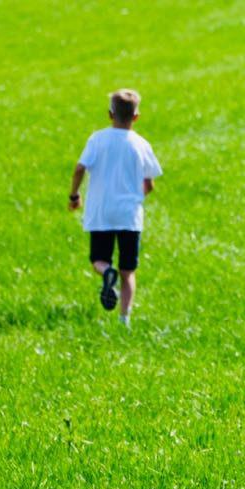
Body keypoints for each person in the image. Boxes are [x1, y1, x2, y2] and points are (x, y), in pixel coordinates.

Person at [69, 89, 163, 327]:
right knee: (128, 270)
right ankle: (124, 320)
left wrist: (75, 195)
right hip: (129, 216)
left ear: (110, 114)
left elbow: (80, 168)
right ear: (136, 117)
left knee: (99, 260)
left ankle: (106, 272)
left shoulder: (97, 139)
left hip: (101, 212)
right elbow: (149, 184)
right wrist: (133, 197)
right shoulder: (141, 144)